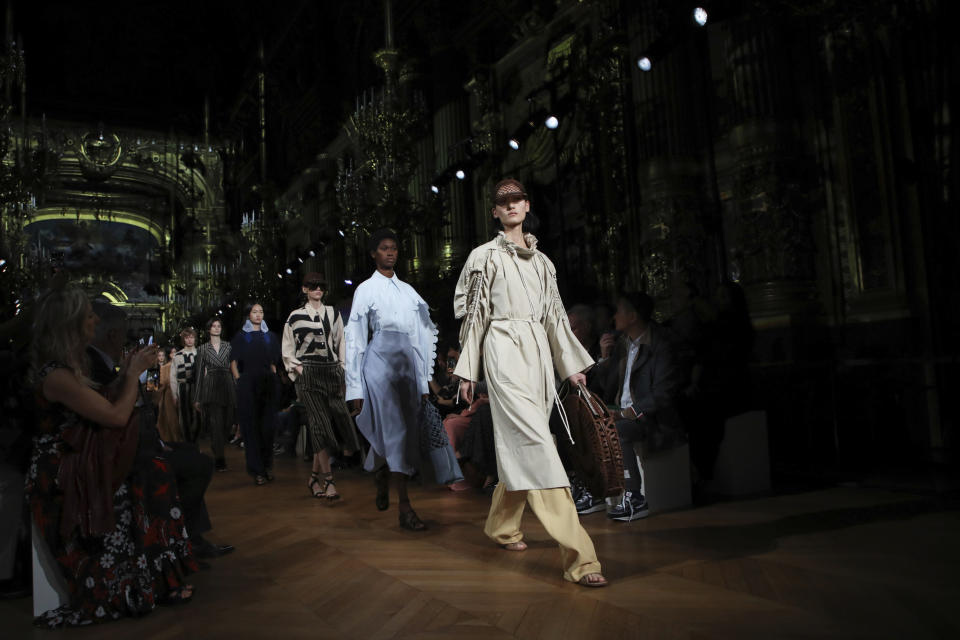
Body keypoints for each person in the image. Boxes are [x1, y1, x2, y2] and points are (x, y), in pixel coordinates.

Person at [453, 178, 607, 587]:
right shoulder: (482, 257)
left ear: (527, 205)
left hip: (538, 358)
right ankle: (581, 557)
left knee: (526, 442)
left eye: (517, 199)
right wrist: (468, 368)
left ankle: (502, 526)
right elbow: (475, 318)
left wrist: (569, 365)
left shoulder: (543, 263)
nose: (511, 205)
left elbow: (555, 318)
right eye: (503, 201)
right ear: (495, 212)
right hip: (504, 353)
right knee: (538, 445)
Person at [27, 286, 196, 626]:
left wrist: (128, 369)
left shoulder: (70, 367)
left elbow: (107, 402)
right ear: (71, 323)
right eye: (89, 315)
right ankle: (134, 583)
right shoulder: (56, 375)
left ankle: (150, 577)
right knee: (145, 477)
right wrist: (133, 373)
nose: (95, 320)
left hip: (84, 461)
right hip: (63, 472)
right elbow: (116, 416)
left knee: (152, 473)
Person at [87, 302, 234, 563]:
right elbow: (117, 413)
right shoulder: (94, 364)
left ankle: (190, 536)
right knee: (197, 463)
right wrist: (133, 373)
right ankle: (181, 535)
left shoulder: (104, 361)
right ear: (112, 334)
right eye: (123, 333)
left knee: (191, 451)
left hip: (132, 442)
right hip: (117, 452)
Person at [345, 229, 438, 531]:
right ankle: (405, 507)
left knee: (403, 431)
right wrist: (355, 387)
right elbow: (356, 338)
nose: (390, 253)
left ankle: (382, 470)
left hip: (406, 366)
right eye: (384, 248)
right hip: (380, 365)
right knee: (396, 429)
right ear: (374, 253)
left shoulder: (408, 291)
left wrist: (423, 382)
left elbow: (422, 337)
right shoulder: (366, 289)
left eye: (394, 248)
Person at [590, 291, 684, 521]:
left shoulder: (661, 344)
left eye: (620, 311)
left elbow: (663, 395)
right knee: (586, 424)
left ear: (633, 316)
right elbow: (607, 386)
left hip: (652, 419)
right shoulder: (622, 344)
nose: (614, 317)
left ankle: (634, 496)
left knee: (618, 431)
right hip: (623, 412)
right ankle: (596, 491)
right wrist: (604, 358)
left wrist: (627, 413)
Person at [282, 272, 361, 500]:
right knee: (319, 426)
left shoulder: (332, 312)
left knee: (336, 422)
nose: (318, 289)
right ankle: (328, 481)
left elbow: (340, 341)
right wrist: (298, 369)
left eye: (321, 286)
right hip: (308, 374)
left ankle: (314, 478)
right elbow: (288, 348)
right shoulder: (295, 316)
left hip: (330, 372)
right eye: (313, 286)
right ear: (305, 289)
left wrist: (342, 367)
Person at [231, 303, 281, 485]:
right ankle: (257, 471)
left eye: (261, 311)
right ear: (248, 315)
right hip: (248, 385)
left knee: (268, 428)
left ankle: (267, 467)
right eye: (254, 312)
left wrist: (274, 377)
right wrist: (240, 381)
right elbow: (234, 362)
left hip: (268, 384)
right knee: (251, 429)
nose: (258, 315)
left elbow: (274, 362)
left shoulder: (270, 337)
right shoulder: (241, 336)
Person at [193, 317, 236, 471]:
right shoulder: (202, 349)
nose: (217, 328)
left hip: (227, 384)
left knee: (227, 423)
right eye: (214, 326)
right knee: (216, 423)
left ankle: (218, 447)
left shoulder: (229, 347)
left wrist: (238, 389)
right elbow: (198, 375)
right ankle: (219, 457)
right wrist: (197, 398)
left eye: (219, 326)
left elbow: (234, 368)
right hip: (211, 386)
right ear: (209, 329)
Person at [171, 327, 200, 442]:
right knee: (184, 416)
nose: (189, 340)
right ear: (183, 339)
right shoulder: (177, 356)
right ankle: (189, 443)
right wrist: (174, 395)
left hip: (196, 387)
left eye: (191, 337)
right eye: (187, 338)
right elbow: (173, 376)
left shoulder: (200, 354)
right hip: (182, 387)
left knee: (198, 416)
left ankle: (194, 441)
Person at [156, 345, 183, 442]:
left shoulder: (182, 365)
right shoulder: (165, 367)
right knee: (172, 419)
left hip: (182, 394)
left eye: (175, 352)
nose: (174, 354)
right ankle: (174, 441)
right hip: (169, 395)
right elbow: (162, 383)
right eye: (172, 352)